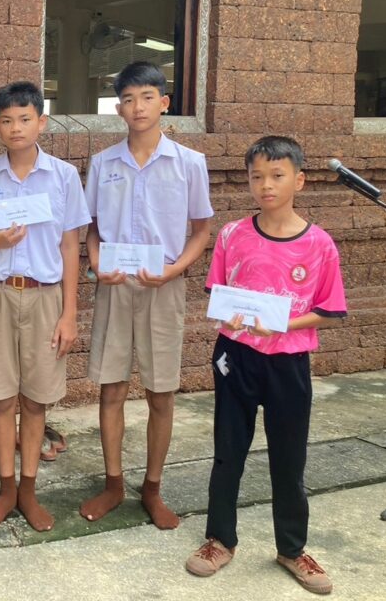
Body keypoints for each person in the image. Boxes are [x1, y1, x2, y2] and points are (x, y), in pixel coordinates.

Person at [186, 136, 345, 595]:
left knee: (289, 457)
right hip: (235, 357)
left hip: (288, 363)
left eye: (277, 176)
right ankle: (219, 540)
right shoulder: (233, 235)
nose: (266, 185)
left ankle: (292, 549)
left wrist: (285, 325)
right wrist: (227, 317)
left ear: (300, 180)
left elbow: (330, 310)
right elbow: (218, 296)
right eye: (256, 176)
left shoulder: (319, 244)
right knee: (228, 451)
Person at [81, 61, 213, 530]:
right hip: (116, 286)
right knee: (112, 387)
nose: (138, 107)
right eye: (128, 99)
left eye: (147, 97)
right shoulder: (104, 163)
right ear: (118, 108)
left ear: (164, 102)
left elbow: (202, 230)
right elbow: (91, 228)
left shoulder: (189, 163)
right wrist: (96, 262)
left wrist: (176, 269)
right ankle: (114, 483)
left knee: (161, 391)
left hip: (164, 287)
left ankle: (153, 488)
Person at [0, 80, 90, 532]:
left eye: (24, 118)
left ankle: (29, 490)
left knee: (36, 399)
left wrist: (69, 313)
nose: (16, 127)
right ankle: (7, 489)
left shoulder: (63, 176)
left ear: (41, 122)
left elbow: (71, 245)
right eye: (6, 120)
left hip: (44, 297)